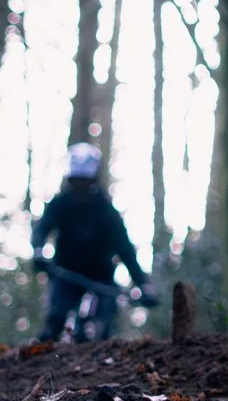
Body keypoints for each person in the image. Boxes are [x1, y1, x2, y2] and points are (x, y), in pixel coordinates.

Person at [29, 142, 151, 342]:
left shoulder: (106, 210)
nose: (81, 187)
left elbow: (124, 248)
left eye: (84, 182)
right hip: (66, 275)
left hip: (101, 278)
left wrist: (143, 284)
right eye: (77, 182)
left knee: (102, 328)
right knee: (55, 319)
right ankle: (38, 364)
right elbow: (41, 230)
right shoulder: (60, 204)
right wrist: (38, 250)